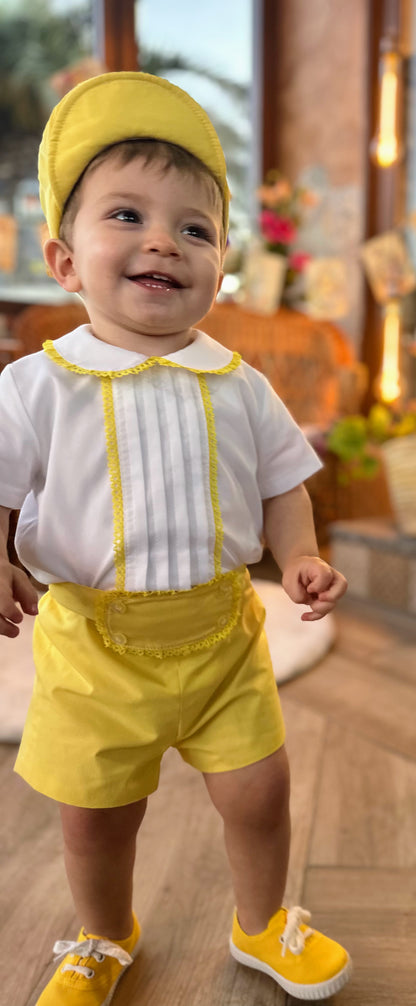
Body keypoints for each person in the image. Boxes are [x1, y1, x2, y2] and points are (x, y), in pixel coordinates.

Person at [0, 72, 351, 1005]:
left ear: (218, 265)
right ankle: (104, 936)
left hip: (223, 639)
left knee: (260, 793)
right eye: (126, 216)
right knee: (96, 816)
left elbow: (284, 483)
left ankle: (262, 922)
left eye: (194, 229)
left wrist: (303, 556)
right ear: (65, 260)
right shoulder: (38, 385)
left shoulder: (238, 383)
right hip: (92, 647)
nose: (164, 240)